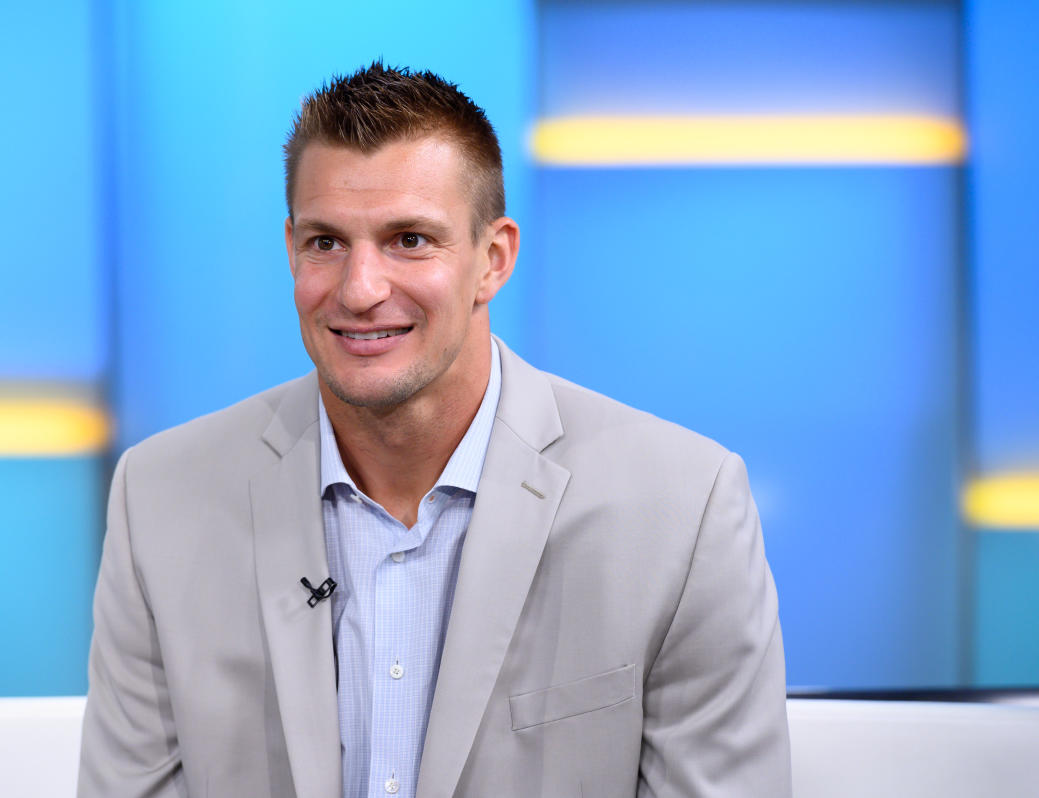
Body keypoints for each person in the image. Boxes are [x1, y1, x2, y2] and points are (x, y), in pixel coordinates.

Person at [78, 62, 791, 798]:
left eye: (409, 240)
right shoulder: (159, 498)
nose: (360, 290)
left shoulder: (682, 509)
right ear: (291, 247)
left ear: (493, 259)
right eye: (326, 242)